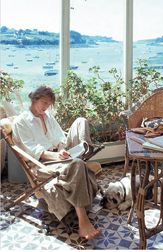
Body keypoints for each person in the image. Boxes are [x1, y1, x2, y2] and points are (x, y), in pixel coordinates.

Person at [12, 85, 101, 240]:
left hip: (60, 155)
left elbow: (60, 137)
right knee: (79, 164)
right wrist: (57, 156)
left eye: (48, 104)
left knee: (81, 121)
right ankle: (83, 220)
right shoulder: (22, 121)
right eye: (44, 103)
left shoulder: (48, 116)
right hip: (42, 163)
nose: (46, 107)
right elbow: (34, 151)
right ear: (34, 98)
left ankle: (84, 151)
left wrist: (61, 148)